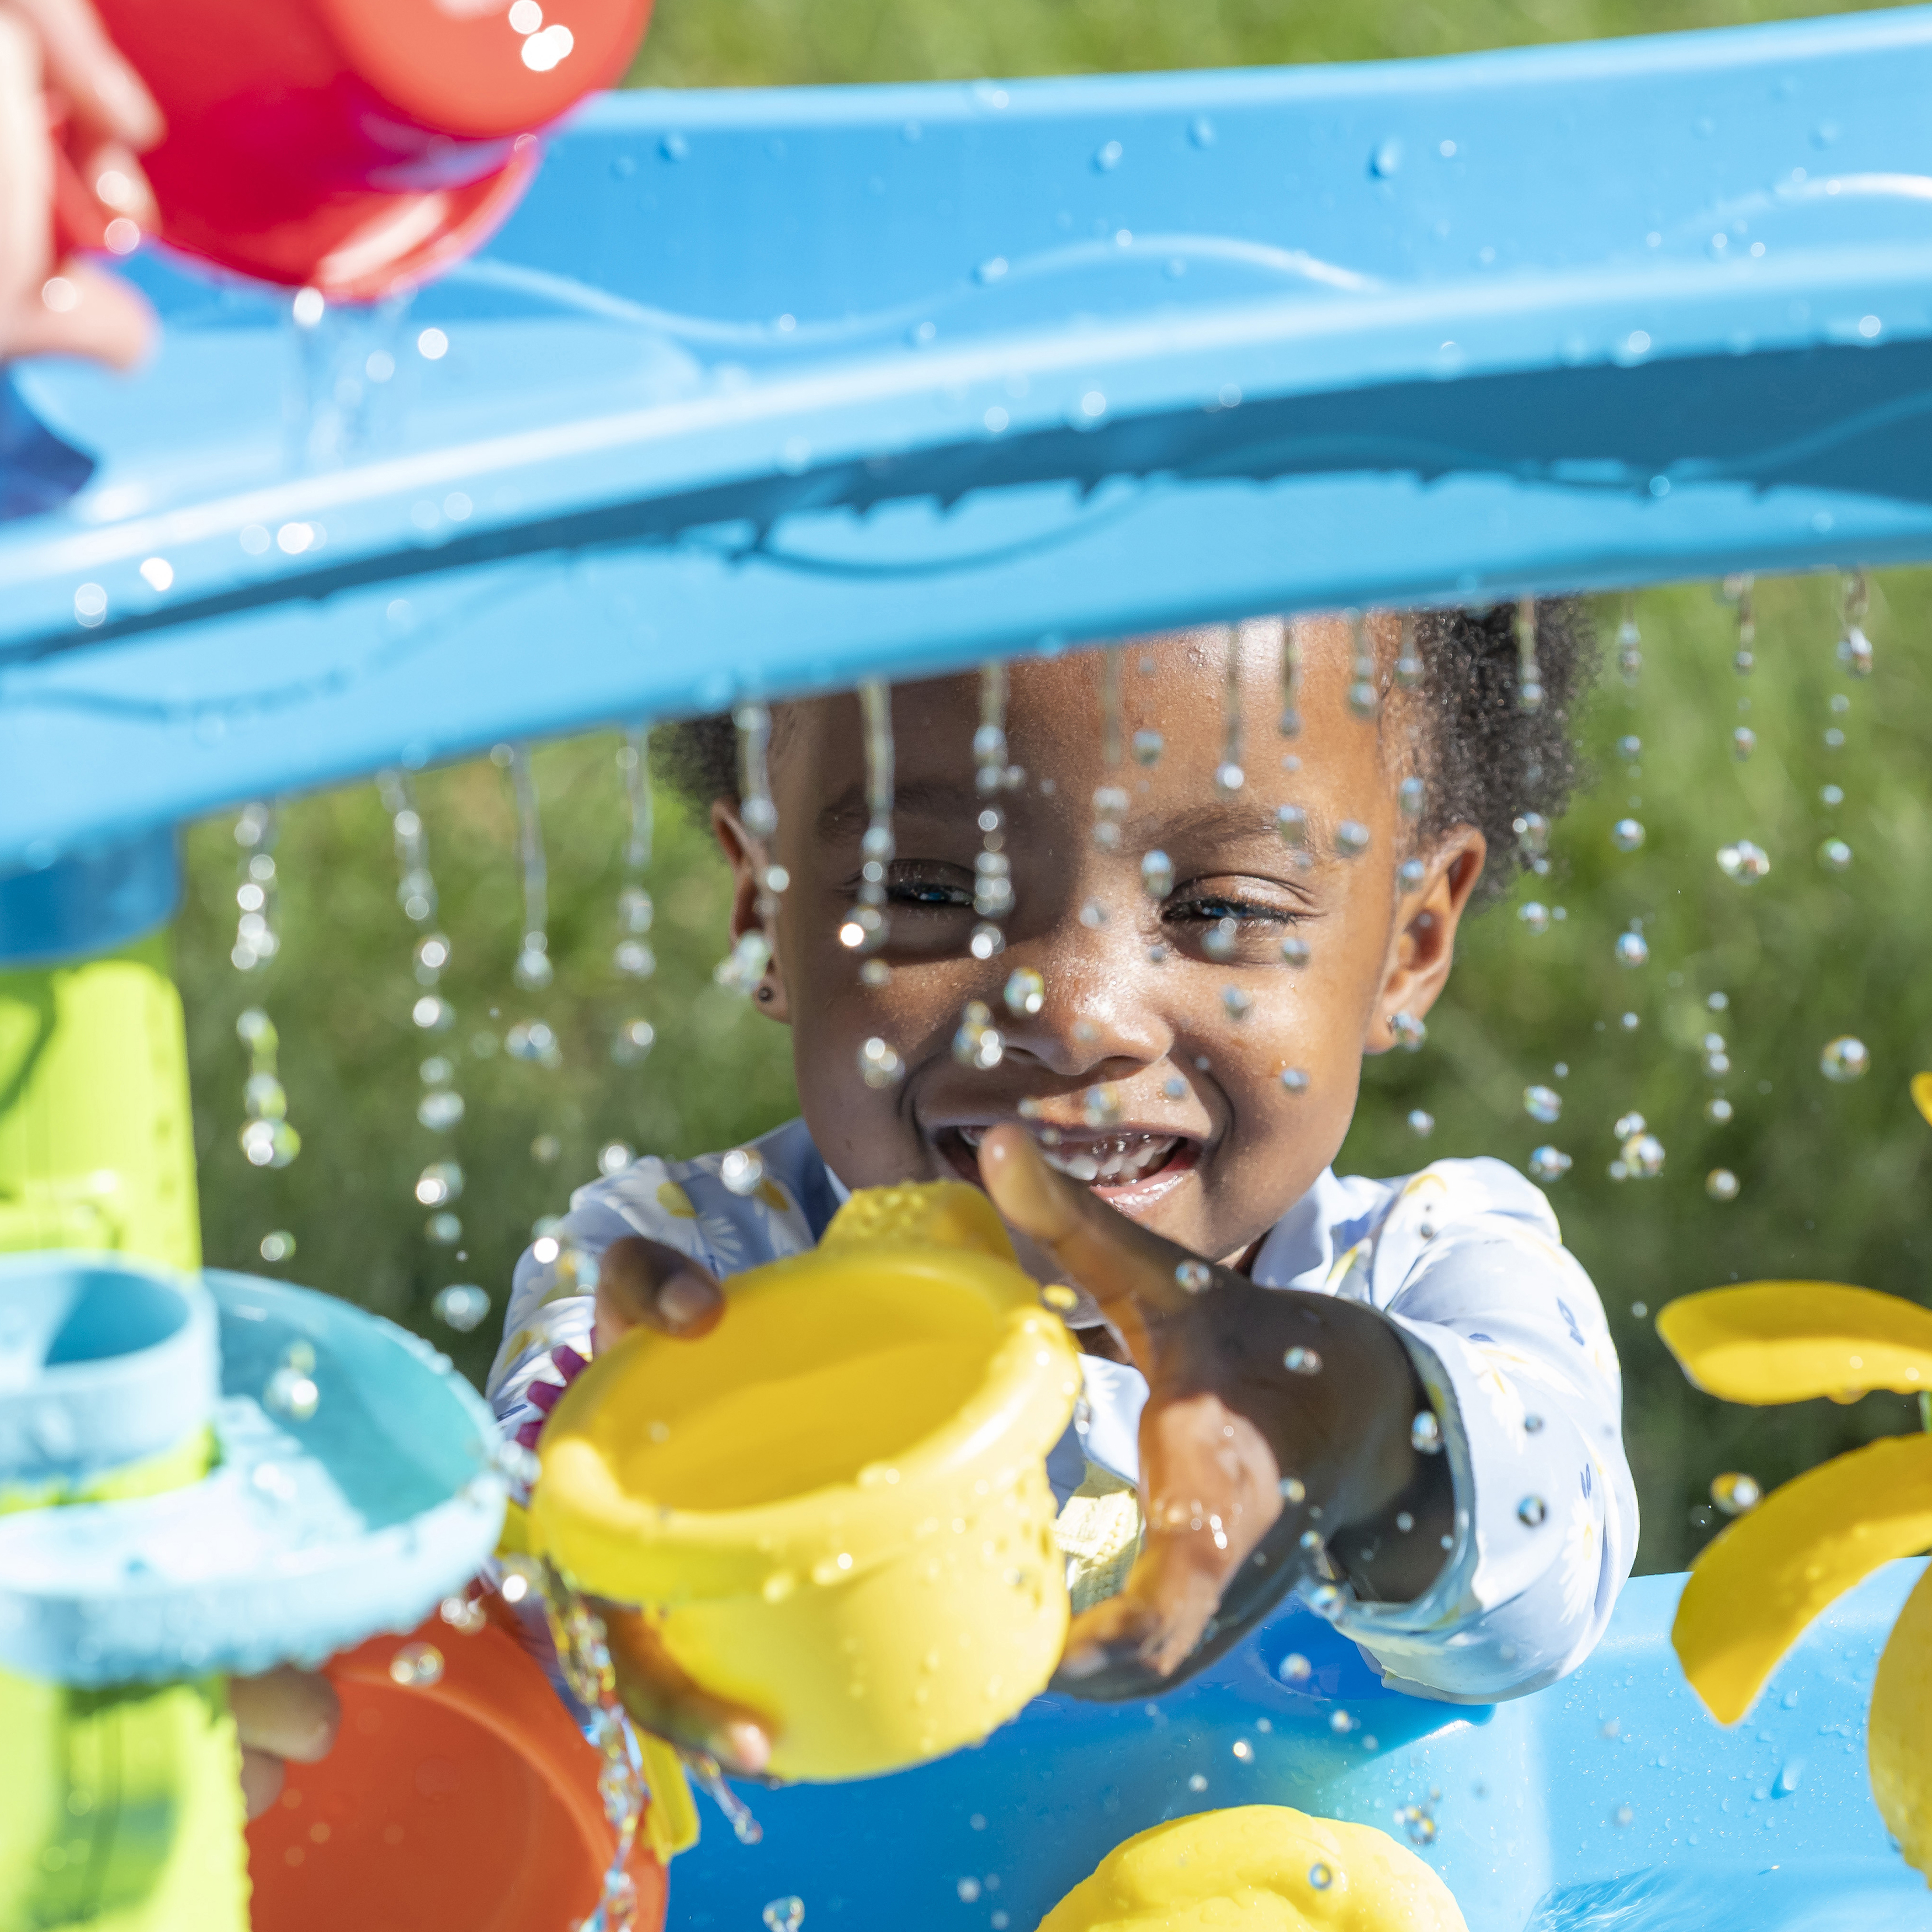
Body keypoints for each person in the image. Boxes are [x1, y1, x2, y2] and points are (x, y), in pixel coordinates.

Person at [491, 607, 1639, 1773]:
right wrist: (610, 1486)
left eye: (1222, 909)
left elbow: (1549, 1592)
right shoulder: (682, 1275)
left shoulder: (1432, 1269)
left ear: (1409, 941)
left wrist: (1362, 1433)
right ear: (764, 910)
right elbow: (506, 1610)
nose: (1077, 1016)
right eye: (928, 891)